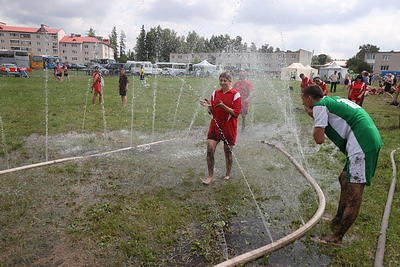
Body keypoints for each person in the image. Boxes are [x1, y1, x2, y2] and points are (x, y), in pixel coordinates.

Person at [302, 84, 382, 245]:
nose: (302, 102)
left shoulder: (319, 106)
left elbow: (319, 139)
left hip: (362, 144)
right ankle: (338, 219)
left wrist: (313, 115)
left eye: (303, 99)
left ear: (309, 98)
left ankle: (337, 237)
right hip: (365, 137)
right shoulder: (331, 100)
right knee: (344, 178)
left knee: (354, 192)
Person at [199, 72, 241, 185]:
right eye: (221, 80)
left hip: (229, 127)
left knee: (228, 152)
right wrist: (209, 107)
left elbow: (236, 113)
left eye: (225, 81)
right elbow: (212, 112)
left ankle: (228, 173)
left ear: (230, 81)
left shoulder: (235, 94)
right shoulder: (215, 93)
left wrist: (223, 106)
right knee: (210, 150)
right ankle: (210, 176)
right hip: (215, 125)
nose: (222, 83)